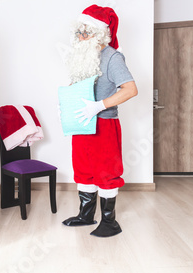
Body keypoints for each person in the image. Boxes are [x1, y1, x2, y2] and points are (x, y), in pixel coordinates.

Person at [61, 5, 138, 237]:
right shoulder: (83, 57)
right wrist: (64, 106)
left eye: (87, 32)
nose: (82, 37)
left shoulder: (112, 57)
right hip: (81, 124)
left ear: (101, 33)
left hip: (104, 124)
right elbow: (78, 89)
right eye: (79, 32)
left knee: (106, 172)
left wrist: (100, 105)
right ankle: (86, 215)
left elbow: (131, 89)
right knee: (83, 171)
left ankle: (109, 222)